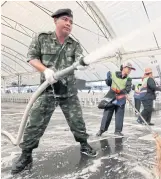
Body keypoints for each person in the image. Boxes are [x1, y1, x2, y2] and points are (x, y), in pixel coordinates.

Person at [11, 8, 97, 175]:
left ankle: (84, 144)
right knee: (34, 122)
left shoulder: (74, 44)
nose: (68, 24)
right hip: (47, 91)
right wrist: (45, 70)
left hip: (69, 91)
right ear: (55, 21)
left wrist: (86, 63)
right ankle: (26, 155)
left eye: (71, 22)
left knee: (77, 121)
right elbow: (32, 57)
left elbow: (80, 60)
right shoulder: (42, 38)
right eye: (65, 19)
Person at [96, 62, 135, 137]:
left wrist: (122, 91)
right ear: (123, 68)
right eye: (129, 68)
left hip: (120, 99)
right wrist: (108, 78)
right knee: (107, 114)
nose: (130, 70)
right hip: (111, 97)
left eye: (131, 69)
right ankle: (102, 130)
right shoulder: (113, 74)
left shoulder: (128, 79)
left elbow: (128, 89)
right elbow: (109, 83)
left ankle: (118, 131)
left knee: (119, 115)